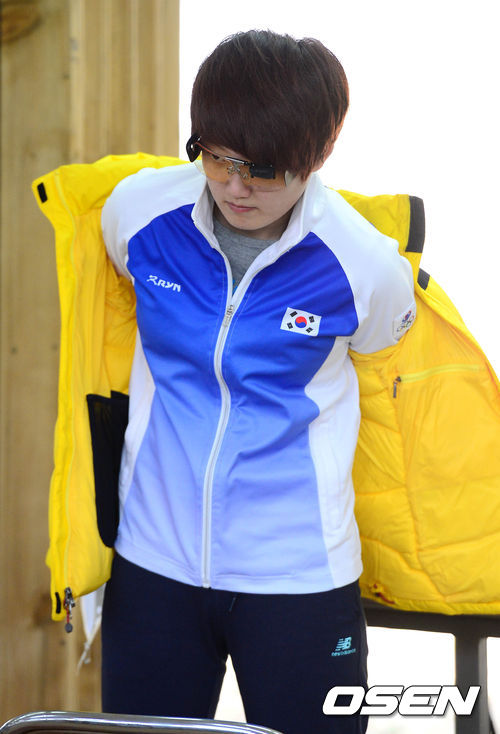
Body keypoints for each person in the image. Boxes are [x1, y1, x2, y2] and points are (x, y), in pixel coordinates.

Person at [100, 29, 416, 734]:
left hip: (300, 577)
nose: (235, 187)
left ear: (319, 153)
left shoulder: (364, 267)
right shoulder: (138, 215)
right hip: (153, 562)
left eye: (264, 170)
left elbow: (385, 359)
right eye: (217, 157)